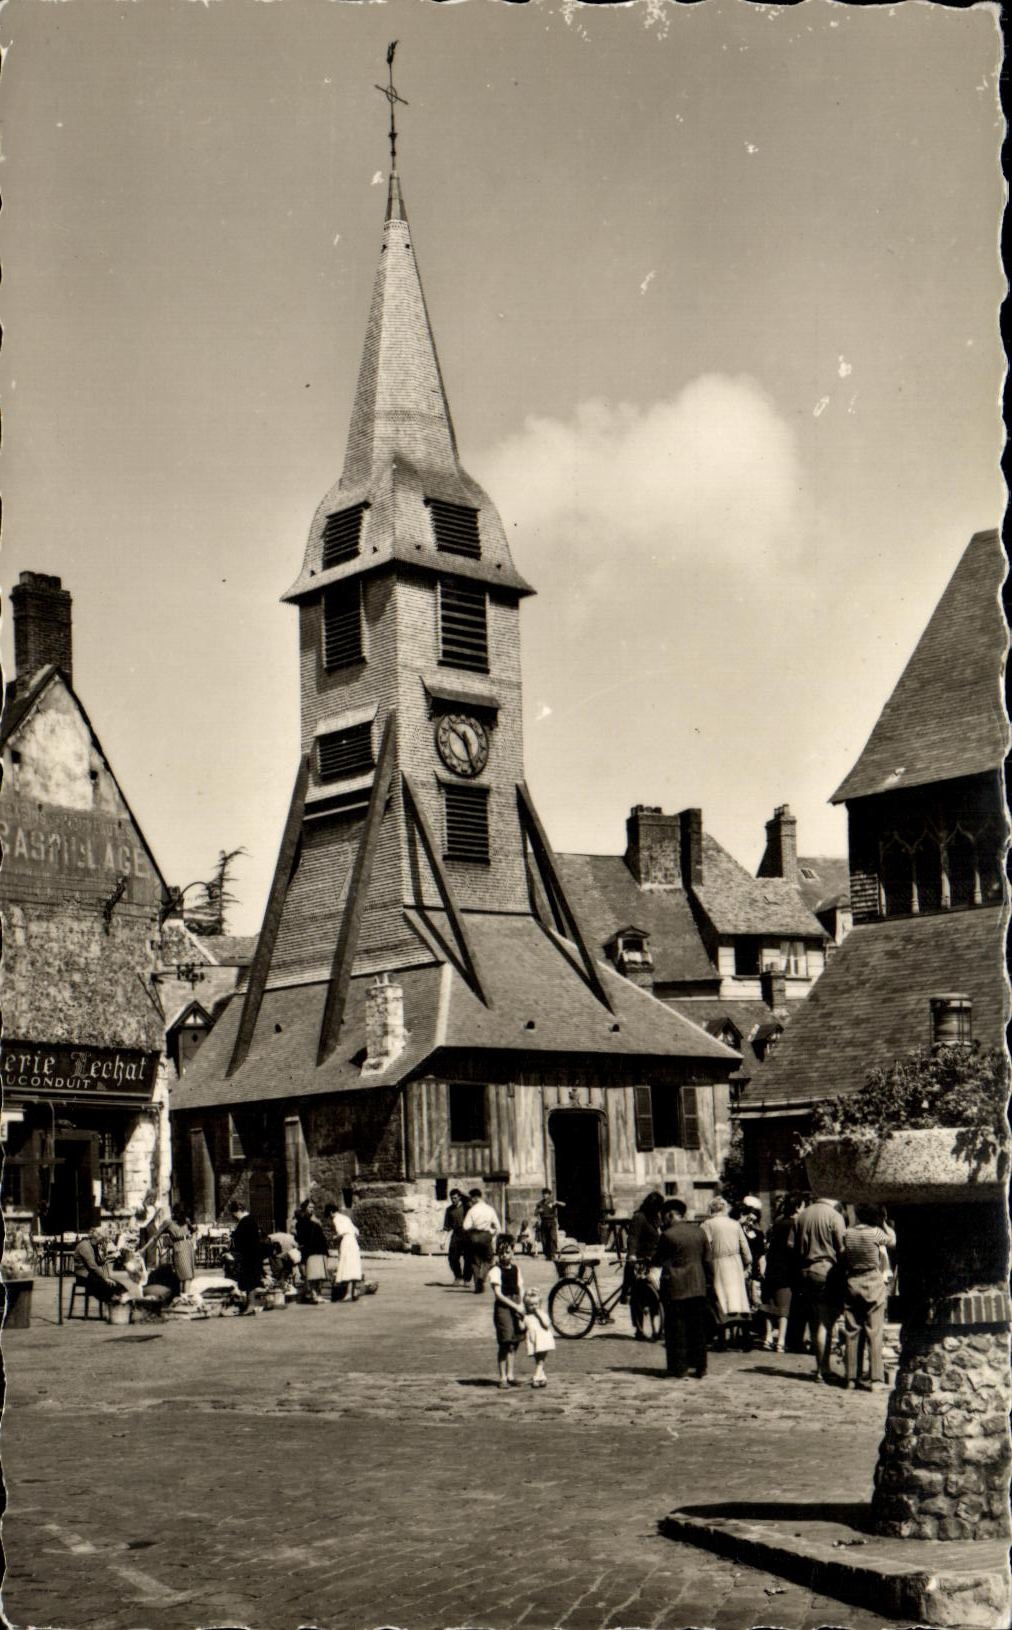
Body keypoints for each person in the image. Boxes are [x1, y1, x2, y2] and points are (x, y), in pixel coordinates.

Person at [789, 1193, 845, 1382]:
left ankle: (821, 1365)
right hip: (827, 1271)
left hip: (805, 1271)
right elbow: (842, 1248)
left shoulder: (802, 1215)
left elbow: (793, 1247)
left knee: (815, 1321)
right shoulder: (834, 1216)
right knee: (825, 1321)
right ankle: (823, 1369)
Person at [653, 1199, 710, 1379]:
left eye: (664, 1217)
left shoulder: (668, 1235)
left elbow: (658, 1259)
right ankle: (700, 1366)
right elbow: (707, 1261)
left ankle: (679, 1368)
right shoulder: (699, 1232)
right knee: (698, 1329)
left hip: (675, 1288)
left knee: (676, 1329)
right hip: (697, 1285)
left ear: (670, 1214)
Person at [841, 1203, 896, 1390]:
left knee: (852, 1330)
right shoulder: (875, 1233)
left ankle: (850, 1377)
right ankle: (876, 1379)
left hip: (852, 1281)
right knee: (875, 1331)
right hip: (872, 1280)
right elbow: (893, 1241)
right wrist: (884, 1223)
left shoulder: (848, 1233)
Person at [700, 1197, 752, 1334]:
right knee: (738, 1297)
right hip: (735, 1262)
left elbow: (706, 1245)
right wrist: (747, 1262)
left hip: (718, 1262)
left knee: (721, 1297)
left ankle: (722, 1336)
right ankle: (744, 1336)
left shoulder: (708, 1224)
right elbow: (744, 1246)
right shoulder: (735, 1224)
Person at [760, 1194, 800, 1353]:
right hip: (787, 1269)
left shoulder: (776, 1223)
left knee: (769, 1304)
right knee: (784, 1306)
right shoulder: (796, 1224)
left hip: (772, 1267)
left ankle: (768, 1337)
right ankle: (781, 1341)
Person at [488, 1234, 525, 1389]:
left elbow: (520, 1287)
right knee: (505, 1342)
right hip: (504, 1307)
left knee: (515, 1341)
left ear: (513, 1252)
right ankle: (502, 1376)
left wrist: (522, 1303)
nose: (504, 1256)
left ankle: (511, 1374)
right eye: (501, 1253)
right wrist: (515, 1306)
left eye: (507, 1252)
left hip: (517, 1304)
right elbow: (498, 1294)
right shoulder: (496, 1270)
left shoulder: (516, 1269)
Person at [621, 1192, 665, 1303]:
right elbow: (633, 1237)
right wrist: (632, 1254)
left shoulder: (655, 1217)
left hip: (654, 1257)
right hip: (641, 1258)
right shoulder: (639, 1217)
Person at [73, 1228, 132, 1306]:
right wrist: (105, 1278)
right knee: (106, 1286)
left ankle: (120, 1301)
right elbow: (93, 1266)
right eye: (102, 1240)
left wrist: (109, 1256)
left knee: (118, 1285)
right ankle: (115, 1303)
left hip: (91, 1275)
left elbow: (99, 1262)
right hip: (83, 1276)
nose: (103, 1242)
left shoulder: (93, 1245)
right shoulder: (84, 1246)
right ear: (97, 1238)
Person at [227, 1199, 265, 1315]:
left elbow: (242, 1239)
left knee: (250, 1281)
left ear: (238, 1211)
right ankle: (250, 1305)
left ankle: (251, 1305)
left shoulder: (246, 1221)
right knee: (249, 1281)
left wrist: (233, 1237)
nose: (234, 1217)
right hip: (251, 1255)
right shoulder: (249, 1220)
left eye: (234, 1214)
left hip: (249, 1255)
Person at [153, 1203, 197, 1298]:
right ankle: (184, 1297)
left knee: (187, 1276)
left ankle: (183, 1297)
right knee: (185, 1276)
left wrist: (193, 1239)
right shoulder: (168, 1222)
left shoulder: (186, 1221)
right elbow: (156, 1235)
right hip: (179, 1247)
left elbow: (194, 1230)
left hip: (188, 1247)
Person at [462, 1187, 501, 1294]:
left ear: (474, 1198)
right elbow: (498, 1227)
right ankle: (482, 1276)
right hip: (486, 1236)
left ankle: (477, 1287)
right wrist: (492, 1235)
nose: (470, 1200)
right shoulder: (490, 1209)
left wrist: (473, 1229)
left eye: (471, 1198)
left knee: (475, 1262)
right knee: (488, 1259)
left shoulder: (472, 1210)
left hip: (474, 1237)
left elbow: (465, 1226)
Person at [324, 1201, 364, 1302]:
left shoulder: (336, 1219)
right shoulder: (345, 1217)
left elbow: (341, 1232)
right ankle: (354, 1291)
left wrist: (334, 1238)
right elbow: (356, 1231)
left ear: (331, 1212)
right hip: (353, 1242)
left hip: (346, 1242)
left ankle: (348, 1294)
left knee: (347, 1266)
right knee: (353, 1265)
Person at [294, 1200, 330, 1303]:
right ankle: (314, 1295)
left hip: (320, 1249)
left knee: (320, 1275)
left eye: (313, 1207)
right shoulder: (302, 1221)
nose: (312, 1209)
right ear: (305, 1208)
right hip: (311, 1251)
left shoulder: (315, 1221)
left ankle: (318, 1295)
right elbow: (301, 1237)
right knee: (313, 1275)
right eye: (310, 1207)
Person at [522, 1288, 555, 1387]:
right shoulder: (526, 1316)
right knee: (537, 1359)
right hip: (533, 1340)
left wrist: (539, 1315)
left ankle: (536, 1377)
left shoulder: (542, 1314)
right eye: (531, 1305)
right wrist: (519, 1318)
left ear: (539, 1304)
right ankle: (542, 1377)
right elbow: (522, 1327)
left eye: (536, 1304)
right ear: (526, 1306)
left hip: (543, 1339)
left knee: (541, 1359)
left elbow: (546, 1324)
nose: (534, 1307)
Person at [442, 1189, 471, 1284]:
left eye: (455, 1198)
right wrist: (443, 1241)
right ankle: (458, 1277)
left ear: (459, 1197)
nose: (453, 1200)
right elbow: (446, 1227)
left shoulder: (467, 1207)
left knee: (468, 1257)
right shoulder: (449, 1210)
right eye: (451, 1198)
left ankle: (467, 1279)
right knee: (452, 1257)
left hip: (467, 1234)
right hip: (456, 1235)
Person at [534, 1189, 563, 1260]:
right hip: (544, 1222)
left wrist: (557, 1202)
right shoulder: (540, 1203)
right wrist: (539, 1211)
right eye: (543, 1194)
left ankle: (553, 1254)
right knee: (544, 1239)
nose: (544, 1195)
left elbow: (564, 1204)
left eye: (546, 1194)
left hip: (552, 1222)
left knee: (553, 1237)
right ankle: (547, 1255)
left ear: (549, 1195)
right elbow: (535, 1213)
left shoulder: (552, 1202)